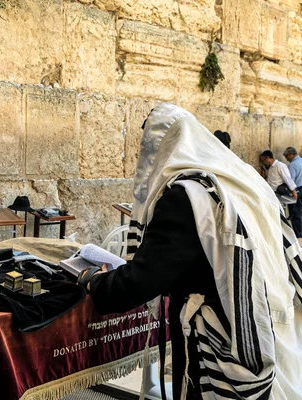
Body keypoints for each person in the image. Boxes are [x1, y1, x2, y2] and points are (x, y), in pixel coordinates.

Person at [78, 104, 302, 399]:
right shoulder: (242, 182)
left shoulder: (186, 196)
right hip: (269, 328)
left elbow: (140, 282)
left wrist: (94, 280)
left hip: (218, 343)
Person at [284, 147, 302, 237]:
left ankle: (298, 234)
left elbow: (291, 180)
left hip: (297, 189)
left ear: (291, 154)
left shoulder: (293, 165)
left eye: (286, 156)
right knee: (300, 211)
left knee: (295, 213)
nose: (286, 159)